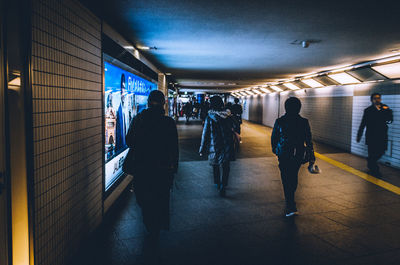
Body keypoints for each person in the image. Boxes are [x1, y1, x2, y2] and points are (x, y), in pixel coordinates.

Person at [124, 90, 179, 243]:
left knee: (144, 199)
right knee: (160, 197)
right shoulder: (168, 122)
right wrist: (174, 168)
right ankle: (156, 227)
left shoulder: (139, 119)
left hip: (142, 167)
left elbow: (129, 141)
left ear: (148, 103)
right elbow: (174, 148)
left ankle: (150, 225)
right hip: (162, 168)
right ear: (163, 104)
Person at [271, 97, 315, 217]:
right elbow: (308, 140)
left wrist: (275, 149)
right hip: (298, 154)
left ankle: (290, 203)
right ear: (299, 107)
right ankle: (290, 201)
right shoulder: (303, 122)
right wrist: (312, 155)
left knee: (286, 178)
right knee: (293, 177)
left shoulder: (280, 121)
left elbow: (274, 137)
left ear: (286, 107)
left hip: (283, 154)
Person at [199, 96, 235, 197]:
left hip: (214, 145)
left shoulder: (209, 117)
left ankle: (218, 183)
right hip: (227, 144)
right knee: (226, 166)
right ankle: (224, 185)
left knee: (215, 165)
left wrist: (202, 149)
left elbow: (205, 134)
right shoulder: (228, 116)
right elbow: (233, 128)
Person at [357, 93, 393, 176]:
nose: (377, 100)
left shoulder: (385, 108)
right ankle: (374, 170)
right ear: (371, 100)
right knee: (372, 152)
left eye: (379, 98)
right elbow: (363, 123)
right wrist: (359, 135)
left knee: (381, 151)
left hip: (382, 135)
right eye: (375, 98)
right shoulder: (368, 110)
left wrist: (387, 111)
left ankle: (370, 161)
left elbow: (390, 120)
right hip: (371, 136)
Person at [115, 74, 127, 151]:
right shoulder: (118, 109)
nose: (123, 91)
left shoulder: (139, 117)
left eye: (124, 88)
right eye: (122, 88)